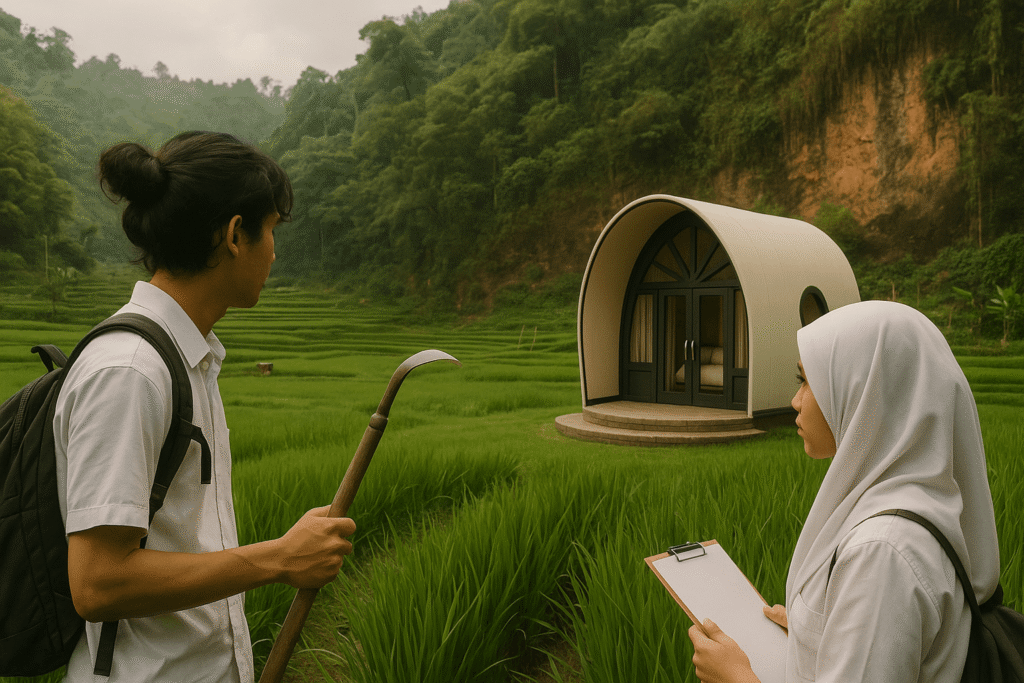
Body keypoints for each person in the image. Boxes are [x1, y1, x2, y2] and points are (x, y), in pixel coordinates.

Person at [54, 131, 357, 681]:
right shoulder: (130, 372)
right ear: (236, 234)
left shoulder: (185, 358)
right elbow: (97, 583)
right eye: (270, 230)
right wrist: (279, 558)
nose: (274, 251)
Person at [688, 300, 1000, 682]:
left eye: (806, 380)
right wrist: (816, 637)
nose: (795, 400)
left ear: (865, 391)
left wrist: (735, 677)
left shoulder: (882, 555)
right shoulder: (913, 502)